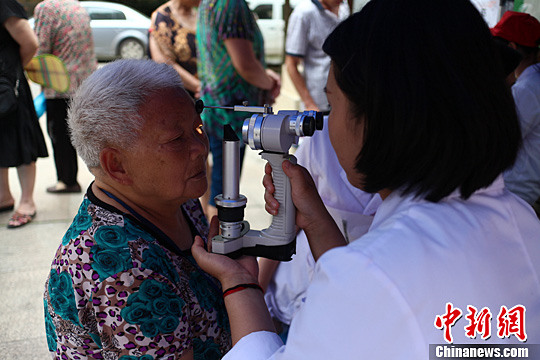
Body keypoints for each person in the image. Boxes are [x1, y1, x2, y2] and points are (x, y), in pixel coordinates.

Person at [190, 0, 540, 358]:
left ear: (378, 121)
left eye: (333, 105)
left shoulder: (377, 272)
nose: (326, 125)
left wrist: (240, 284)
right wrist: (315, 219)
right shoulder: (522, 221)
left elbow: (371, 288)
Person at [43, 60, 231, 359]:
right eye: (176, 140)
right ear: (116, 165)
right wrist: (240, 284)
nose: (200, 146)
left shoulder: (170, 196)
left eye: (198, 127)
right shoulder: (123, 274)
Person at [258, 116, 381, 339]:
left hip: (346, 322)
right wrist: (257, 291)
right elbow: (285, 224)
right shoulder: (321, 139)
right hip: (289, 302)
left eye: (333, 101)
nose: (325, 117)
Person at [197, 0, 281, 218]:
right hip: (230, 114)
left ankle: (213, 241)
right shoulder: (231, 4)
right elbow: (245, 65)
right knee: (225, 191)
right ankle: (217, 246)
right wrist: (270, 83)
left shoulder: (211, 3)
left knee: (221, 184)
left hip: (220, 108)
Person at [33, 0, 98, 194]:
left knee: (59, 135)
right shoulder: (77, 6)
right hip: (85, 82)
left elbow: (41, 48)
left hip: (59, 83)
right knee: (86, 135)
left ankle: (67, 181)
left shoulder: (46, 8)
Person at [0, 0, 49, 228]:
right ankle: (4, 196)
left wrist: (13, 70)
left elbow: (30, 43)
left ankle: (27, 202)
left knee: (22, 139)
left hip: (9, 85)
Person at [492, 11, 540, 216]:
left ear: (510, 48)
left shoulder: (526, 89)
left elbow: (501, 139)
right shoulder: (530, 83)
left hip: (515, 194)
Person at [285, 0, 349, 112]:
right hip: (318, 103)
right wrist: (309, 103)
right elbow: (291, 64)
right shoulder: (303, 13)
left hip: (343, 100)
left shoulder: (344, 7)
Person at [150, 0, 201, 98]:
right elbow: (165, 62)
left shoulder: (199, 14)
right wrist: (199, 87)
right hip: (183, 95)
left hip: (207, 92)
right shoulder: (162, 17)